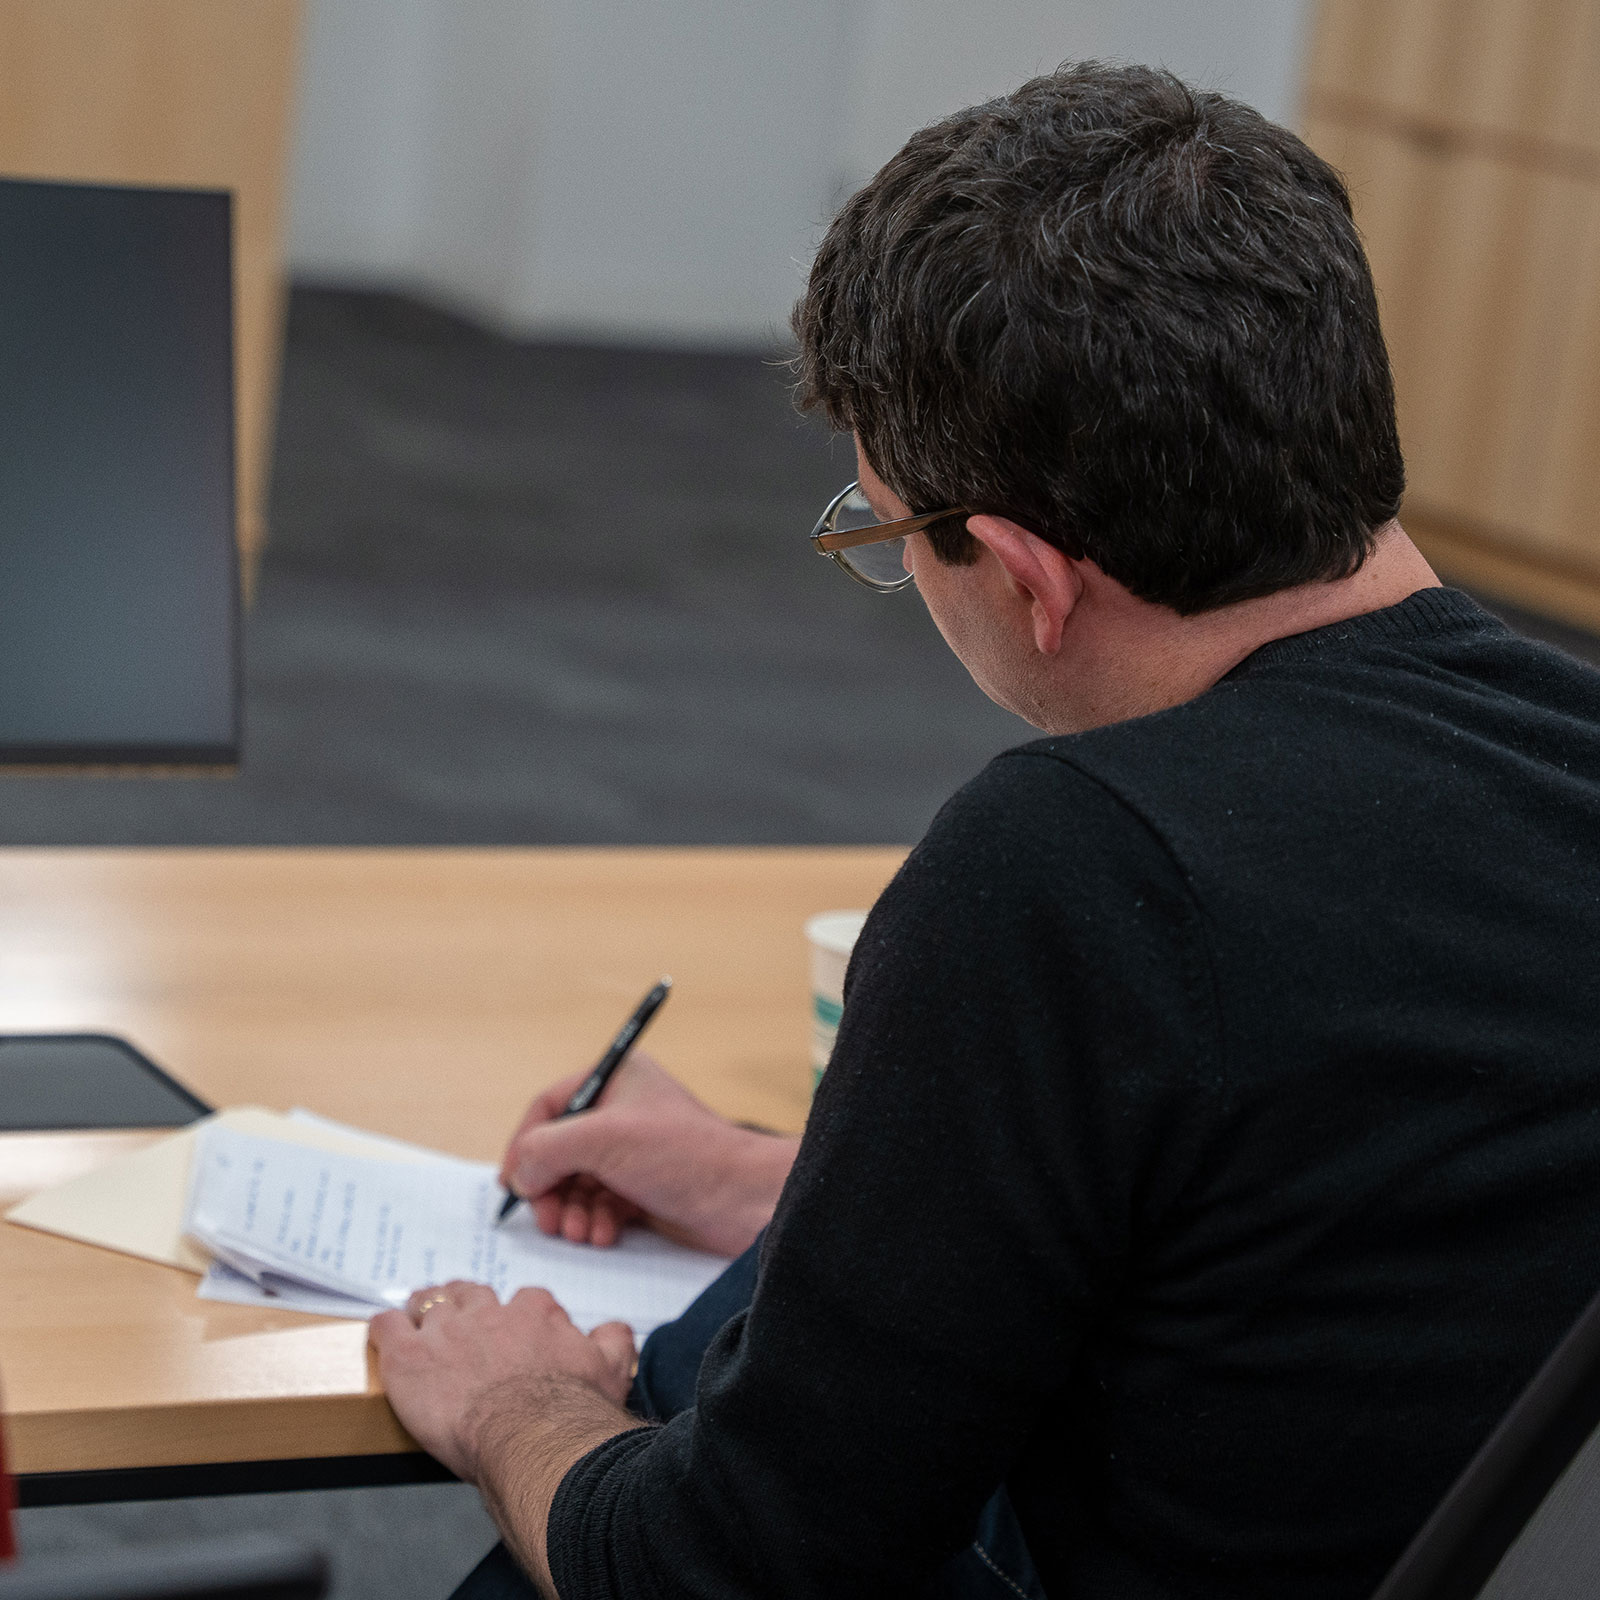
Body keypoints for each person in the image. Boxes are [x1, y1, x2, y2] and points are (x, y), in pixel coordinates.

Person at [368, 62, 1600, 1599]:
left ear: (1023, 572)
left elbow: (732, 1571)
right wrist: (802, 1190)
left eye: (885, 536)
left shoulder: (1081, 868)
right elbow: (1338, 1211)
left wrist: (513, 1400)